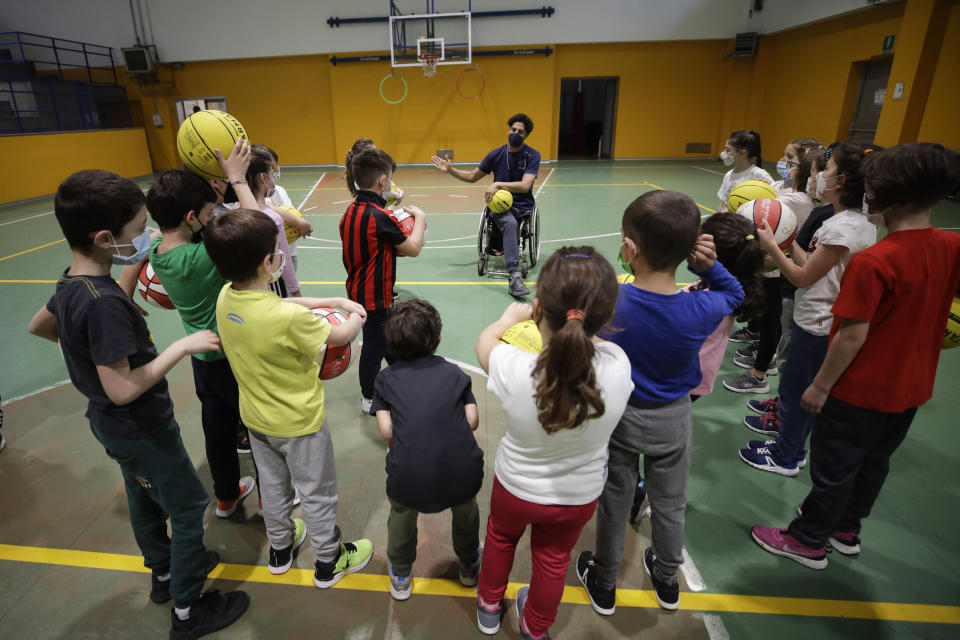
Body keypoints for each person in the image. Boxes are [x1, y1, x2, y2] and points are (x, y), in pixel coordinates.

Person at [27, 168, 250, 639]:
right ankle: (188, 609)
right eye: (136, 231)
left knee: (142, 499)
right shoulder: (104, 302)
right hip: (139, 423)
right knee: (189, 506)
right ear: (106, 238)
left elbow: (40, 327)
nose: (146, 237)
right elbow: (124, 388)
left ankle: (165, 572)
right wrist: (180, 349)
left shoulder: (72, 283)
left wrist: (88, 356)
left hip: (109, 426)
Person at [751, 142, 960, 569]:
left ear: (887, 194)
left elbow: (851, 336)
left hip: (859, 387)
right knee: (874, 462)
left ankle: (808, 539)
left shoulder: (876, 262)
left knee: (835, 466)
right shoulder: (950, 246)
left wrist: (820, 385)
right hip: (913, 384)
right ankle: (846, 529)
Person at [576, 191, 743, 613]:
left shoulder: (611, 300)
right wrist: (709, 265)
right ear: (689, 250)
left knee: (615, 497)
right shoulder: (701, 305)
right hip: (674, 417)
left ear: (629, 247)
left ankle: (605, 577)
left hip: (622, 414)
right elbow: (734, 293)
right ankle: (668, 578)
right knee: (670, 502)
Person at [205, 207, 375, 587]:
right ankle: (330, 560)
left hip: (255, 419)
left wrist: (329, 300)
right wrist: (355, 316)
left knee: (275, 485)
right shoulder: (288, 320)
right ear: (269, 262)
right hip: (299, 423)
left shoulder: (226, 298)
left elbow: (279, 307)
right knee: (317, 493)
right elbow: (338, 337)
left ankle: (280, 549)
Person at [474, 246, 633, 640]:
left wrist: (508, 317)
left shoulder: (514, 367)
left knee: (499, 538)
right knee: (553, 560)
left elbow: (485, 342)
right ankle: (535, 627)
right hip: (576, 498)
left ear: (539, 308)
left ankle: (489, 607)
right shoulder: (617, 365)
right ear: (608, 316)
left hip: (515, 488)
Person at [739, 143, 876, 476]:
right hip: (813, 318)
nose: (817, 177)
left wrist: (772, 245)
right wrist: (780, 252)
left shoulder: (844, 228)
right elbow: (811, 265)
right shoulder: (844, 222)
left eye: (824, 171)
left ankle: (787, 455)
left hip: (818, 324)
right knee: (792, 385)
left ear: (840, 181)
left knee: (797, 390)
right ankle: (789, 443)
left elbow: (802, 278)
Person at [145, 168, 256, 518]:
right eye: (208, 215)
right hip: (234, 354)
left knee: (217, 429)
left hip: (202, 357)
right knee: (259, 428)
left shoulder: (158, 252)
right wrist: (236, 179)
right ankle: (275, 500)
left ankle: (225, 496)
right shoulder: (201, 255)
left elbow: (145, 248)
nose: (212, 220)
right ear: (191, 217)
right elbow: (256, 221)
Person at [372, 299, 483, 601]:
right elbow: (472, 420)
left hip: (410, 478)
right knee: (466, 510)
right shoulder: (455, 373)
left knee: (401, 513)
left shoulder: (386, 379)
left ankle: (401, 572)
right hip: (462, 473)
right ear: (437, 340)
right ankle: (469, 565)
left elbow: (386, 430)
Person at [723, 137, 820, 393]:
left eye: (790, 158)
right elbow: (763, 192)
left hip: (776, 268)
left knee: (772, 320)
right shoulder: (781, 187)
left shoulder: (797, 201)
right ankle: (761, 349)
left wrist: (745, 208)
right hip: (767, 265)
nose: (783, 161)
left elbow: (763, 216)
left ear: (805, 167)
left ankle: (760, 373)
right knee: (765, 315)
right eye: (784, 155)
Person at [339, 147, 427, 414]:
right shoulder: (382, 217)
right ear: (382, 182)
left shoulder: (351, 212)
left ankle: (402, 377)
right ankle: (369, 398)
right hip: (374, 294)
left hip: (357, 287)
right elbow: (413, 248)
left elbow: (374, 245)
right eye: (390, 178)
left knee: (386, 338)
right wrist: (420, 218)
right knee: (374, 348)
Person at [431, 113, 541, 298]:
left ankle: (513, 276)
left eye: (520, 132)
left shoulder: (532, 155)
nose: (515, 133)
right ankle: (514, 275)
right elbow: (472, 177)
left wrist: (497, 184)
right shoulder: (496, 154)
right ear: (508, 130)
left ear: (525, 136)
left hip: (523, 205)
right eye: (513, 129)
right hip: (500, 206)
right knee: (510, 224)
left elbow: (525, 186)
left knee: (515, 223)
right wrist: (450, 169)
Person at [244, 146, 300, 297]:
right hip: (272, 285)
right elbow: (285, 260)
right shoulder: (273, 219)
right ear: (263, 178)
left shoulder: (234, 212)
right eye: (271, 174)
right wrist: (295, 290)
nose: (274, 177)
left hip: (244, 286)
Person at [256, 144, 312, 271]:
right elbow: (267, 207)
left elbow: (292, 212)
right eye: (272, 168)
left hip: (290, 251)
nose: (276, 170)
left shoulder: (280, 190)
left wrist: (298, 225)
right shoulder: (257, 193)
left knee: (290, 287)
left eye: (276, 165)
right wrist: (300, 222)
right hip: (272, 254)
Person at [716, 129, 774, 213]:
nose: (724, 153)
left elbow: (772, 203)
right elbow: (723, 202)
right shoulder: (728, 174)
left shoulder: (760, 175)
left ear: (742, 153)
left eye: (728, 150)